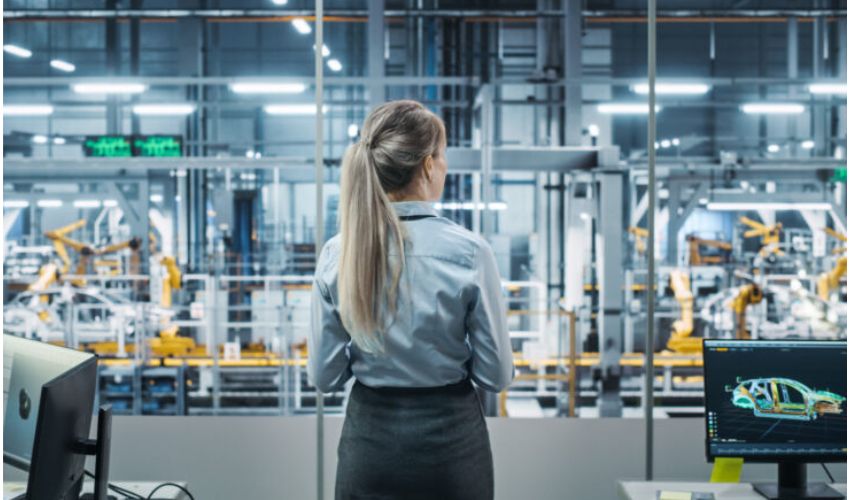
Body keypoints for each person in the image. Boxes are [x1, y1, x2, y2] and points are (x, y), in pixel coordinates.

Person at [309, 100, 514, 500]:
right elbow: (496, 375)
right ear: (427, 165)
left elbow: (325, 376)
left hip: (370, 445)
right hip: (451, 447)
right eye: (444, 154)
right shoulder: (469, 252)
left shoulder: (339, 252)